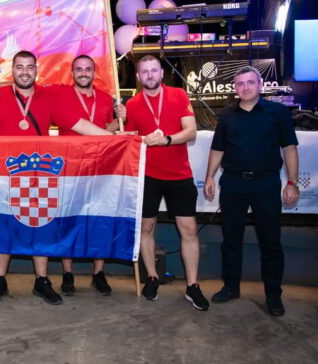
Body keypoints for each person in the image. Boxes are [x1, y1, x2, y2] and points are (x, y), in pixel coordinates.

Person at [0, 50, 110, 306]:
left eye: (29, 67)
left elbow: (79, 124)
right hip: (5, 175)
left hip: (40, 175)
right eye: (20, 67)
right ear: (12, 70)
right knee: (2, 225)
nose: (25, 72)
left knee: (41, 224)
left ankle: (42, 280)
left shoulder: (49, 96)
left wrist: (112, 137)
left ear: (36, 70)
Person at [204, 65, 299, 316]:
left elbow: (289, 148)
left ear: (260, 85)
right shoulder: (227, 115)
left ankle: (273, 295)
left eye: (250, 83)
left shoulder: (277, 112)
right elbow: (218, 148)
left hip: (266, 184)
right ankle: (230, 287)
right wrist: (209, 177)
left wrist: (292, 182)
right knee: (231, 239)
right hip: (233, 183)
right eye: (240, 84)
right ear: (235, 88)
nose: (245, 88)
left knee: (271, 242)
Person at [124, 55, 209, 310]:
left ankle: (192, 285)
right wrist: (120, 121)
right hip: (147, 175)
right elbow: (128, 137)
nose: (149, 75)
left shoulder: (179, 95)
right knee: (146, 228)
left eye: (154, 70)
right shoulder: (132, 104)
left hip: (179, 174)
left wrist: (167, 140)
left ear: (162, 73)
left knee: (189, 230)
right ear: (138, 77)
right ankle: (152, 277)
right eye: (144, 72)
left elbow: (191, 131)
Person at [51, 55, 124, 297]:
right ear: (72, 73)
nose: (83, 73)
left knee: (99, 219)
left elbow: (106, 130)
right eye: (79, 69)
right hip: (70, 169)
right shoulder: (61, 94)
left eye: (88, 69)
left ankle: (98, 273)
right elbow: (29, 85)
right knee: (68, 219)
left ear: (94, 72)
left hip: (101, 168)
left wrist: (119, 119)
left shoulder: (105, 98)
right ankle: (67, 272)